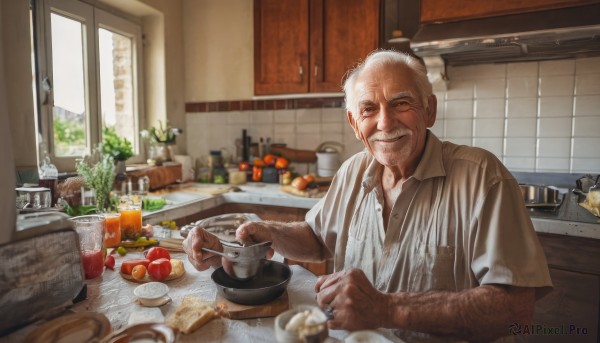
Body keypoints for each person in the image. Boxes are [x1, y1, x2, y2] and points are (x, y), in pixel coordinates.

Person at [183, 50, 552, 342]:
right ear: (354, 123)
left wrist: (387, 308)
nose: (385, 122)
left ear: (430, 110)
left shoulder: (482, 177)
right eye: (369, 109)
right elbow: (315, 240)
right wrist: (261, 234)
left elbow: (516, 312)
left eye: (401, 103)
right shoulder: (353, 171)